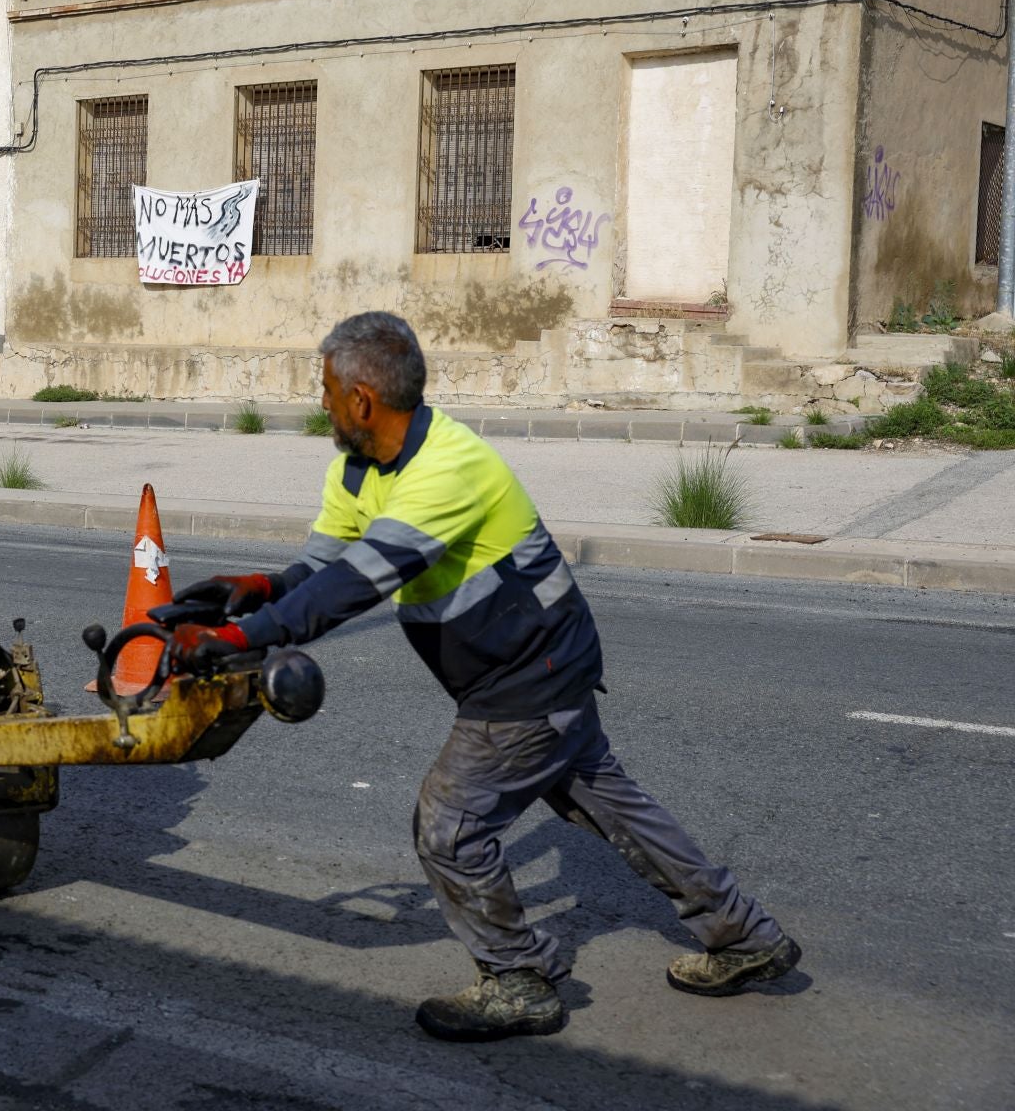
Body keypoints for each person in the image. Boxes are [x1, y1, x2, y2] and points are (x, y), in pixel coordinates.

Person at [171, 311, 800, 1043]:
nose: (321, 403)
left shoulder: (449, 468)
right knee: (611, 805)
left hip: (529, 676)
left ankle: (518, 979)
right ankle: (746, 935)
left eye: (326, 390)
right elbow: (325, 566)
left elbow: (359, 584)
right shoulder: (357, 465)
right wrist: (261, 588)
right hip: (535, 669)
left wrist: (239, 638)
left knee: (450, 825)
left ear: (362, 400)